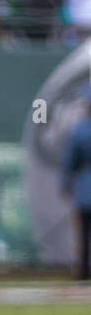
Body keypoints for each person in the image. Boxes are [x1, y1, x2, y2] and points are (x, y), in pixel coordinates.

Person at [63, 86, 91, 281]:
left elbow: (70, 162)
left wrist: (66, 184)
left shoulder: (80, 130)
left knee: (83, 233)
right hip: (84, 186)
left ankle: (82, 270)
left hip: (84, 187)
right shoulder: (79, 129)